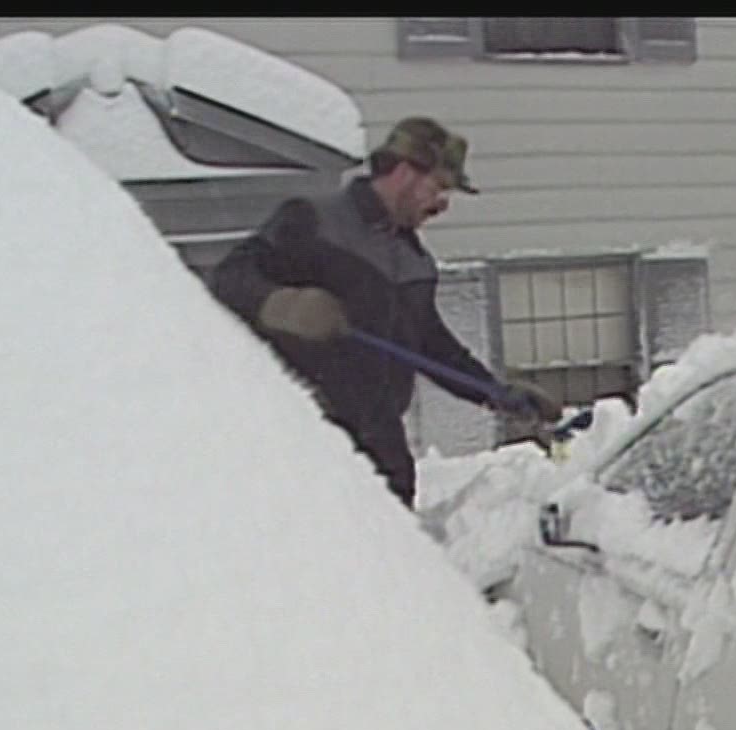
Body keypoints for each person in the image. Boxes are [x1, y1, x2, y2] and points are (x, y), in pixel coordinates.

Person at [211, 116, 560, 507]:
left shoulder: (413, 262)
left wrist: (497, 393)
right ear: (406, 172)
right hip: (307, 434)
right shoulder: (313, 223)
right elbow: (230, 277)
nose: (442, 204)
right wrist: (283, 305)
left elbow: (432, 346)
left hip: (379, 440)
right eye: (439, 188)